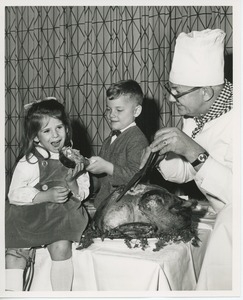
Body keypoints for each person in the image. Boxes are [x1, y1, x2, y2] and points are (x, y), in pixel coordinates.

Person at [140, 29, 233, 290]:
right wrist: (160, 156)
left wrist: (193, 151)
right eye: (171, 89)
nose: (171, 98)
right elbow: (187, 172)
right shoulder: (196, 115)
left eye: (178, 92)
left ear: (205, 92)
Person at [5, 98, 90, 291]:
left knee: (62, 247)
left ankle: (60, 294)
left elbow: (83, 193)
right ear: (36, 137)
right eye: (47, 130)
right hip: (30, 217)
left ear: (67, 128)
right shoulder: (30, 161)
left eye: (59, 127)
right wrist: (44, 196)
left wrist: (72, 182)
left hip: (59, 219)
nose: (56, 135)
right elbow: (14, 194)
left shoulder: (76, 159)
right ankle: (12, 293)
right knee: (15, 253)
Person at [86, 79, 149, 209]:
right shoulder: (108, 141)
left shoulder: (137, 139)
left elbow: (136, 177)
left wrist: (107, 167)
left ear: (136, 111)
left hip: (125, 208)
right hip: (104, 206)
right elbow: (99, 179)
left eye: (119, 110)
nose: (111, 115)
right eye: (109, 109)